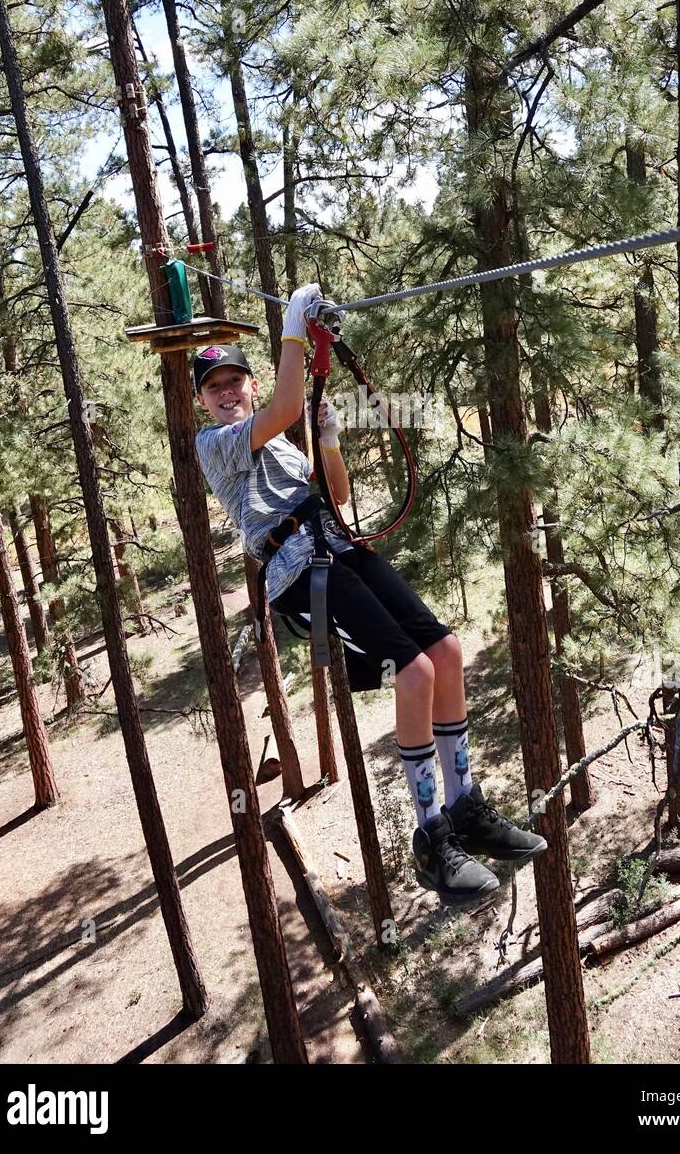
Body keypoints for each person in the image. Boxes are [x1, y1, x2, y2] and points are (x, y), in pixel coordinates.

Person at [193, 282, 547, 905]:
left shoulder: (276, 442)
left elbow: (340, 491)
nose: (226, 392)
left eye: (234, 382)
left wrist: (328, 442)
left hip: (339, 544)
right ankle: (431, 840)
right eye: (214, 387)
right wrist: (296, 328)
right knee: (413, 673)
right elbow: (283, 403)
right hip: (299, 573)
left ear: (248, 385)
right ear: (203, 402)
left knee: (447, 654)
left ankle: (466, 806)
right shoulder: (217, 444)